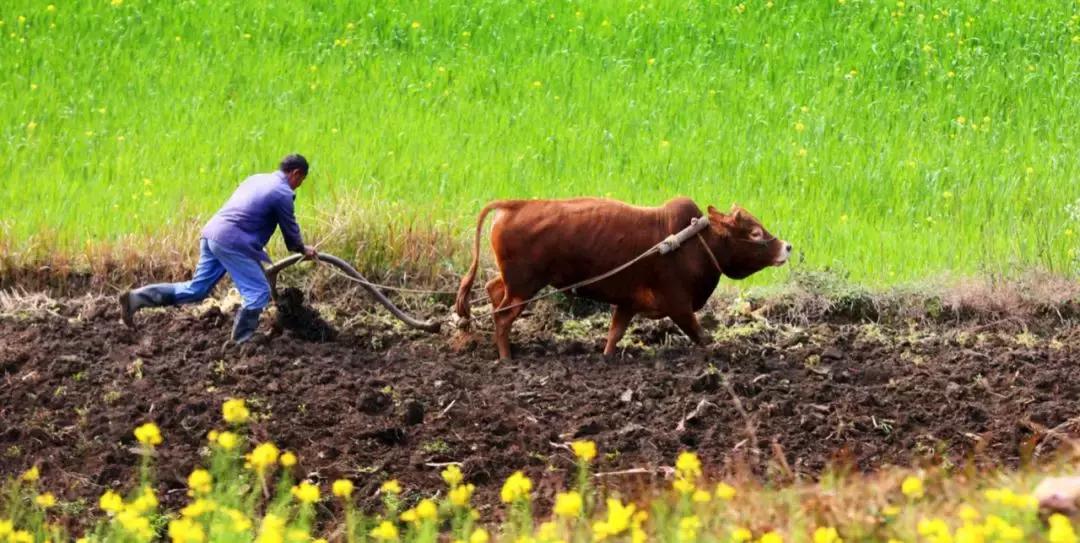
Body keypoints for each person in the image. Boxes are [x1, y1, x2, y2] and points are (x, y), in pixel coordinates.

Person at [119, 154, 318, 343]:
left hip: (212, 233)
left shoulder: (257, 179)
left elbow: (246, 212)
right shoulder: (283, 193)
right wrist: (303, 249)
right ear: (296, 173)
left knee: (196, 289)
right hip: (233, 241)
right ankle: (241, 342)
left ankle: (136, 298)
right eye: (301, 180)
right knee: (258, 293)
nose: (299, 185)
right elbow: (291, 236)